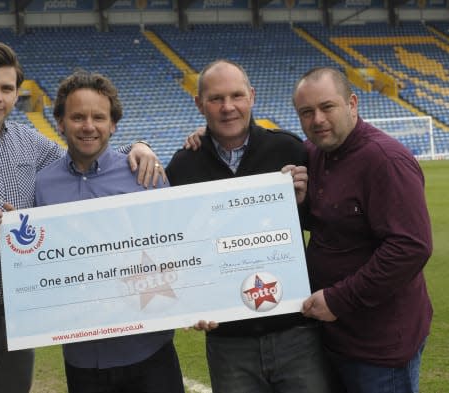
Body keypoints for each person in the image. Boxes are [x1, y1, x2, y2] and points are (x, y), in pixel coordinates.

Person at [0, 41, 166, 393]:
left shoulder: (30, 143)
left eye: (7, 89)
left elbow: (86, 156)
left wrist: (137, 147)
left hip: (18, 319)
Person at [167, 59, 333, 393]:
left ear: (252, 97)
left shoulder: (289, 149)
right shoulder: (184, 166)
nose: (228, 107)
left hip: (296, 331)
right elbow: (178, 248)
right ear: (199, 104)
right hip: (229, 342)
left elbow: (320, 225)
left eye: (236, 96)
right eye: (215, 99)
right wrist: (193, 304)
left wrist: (301, 203)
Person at [33, 69, 185, 393]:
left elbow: (178, 249)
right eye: (77, 117)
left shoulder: (145, 174)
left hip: (149, 352)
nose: (88, 126)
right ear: (60, 122)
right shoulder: (42, 185)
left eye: (98, 117)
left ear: (113, 124)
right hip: (83, 358)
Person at [293, 66, 433, 393]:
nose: (317, 120)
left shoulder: (386, 160)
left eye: (327, 107)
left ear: (352, 103)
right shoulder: (314, 153)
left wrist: (339, 300)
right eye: (306, 112)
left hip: (379, 346)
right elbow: (326, 222)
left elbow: (410, 247)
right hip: (335, 336)